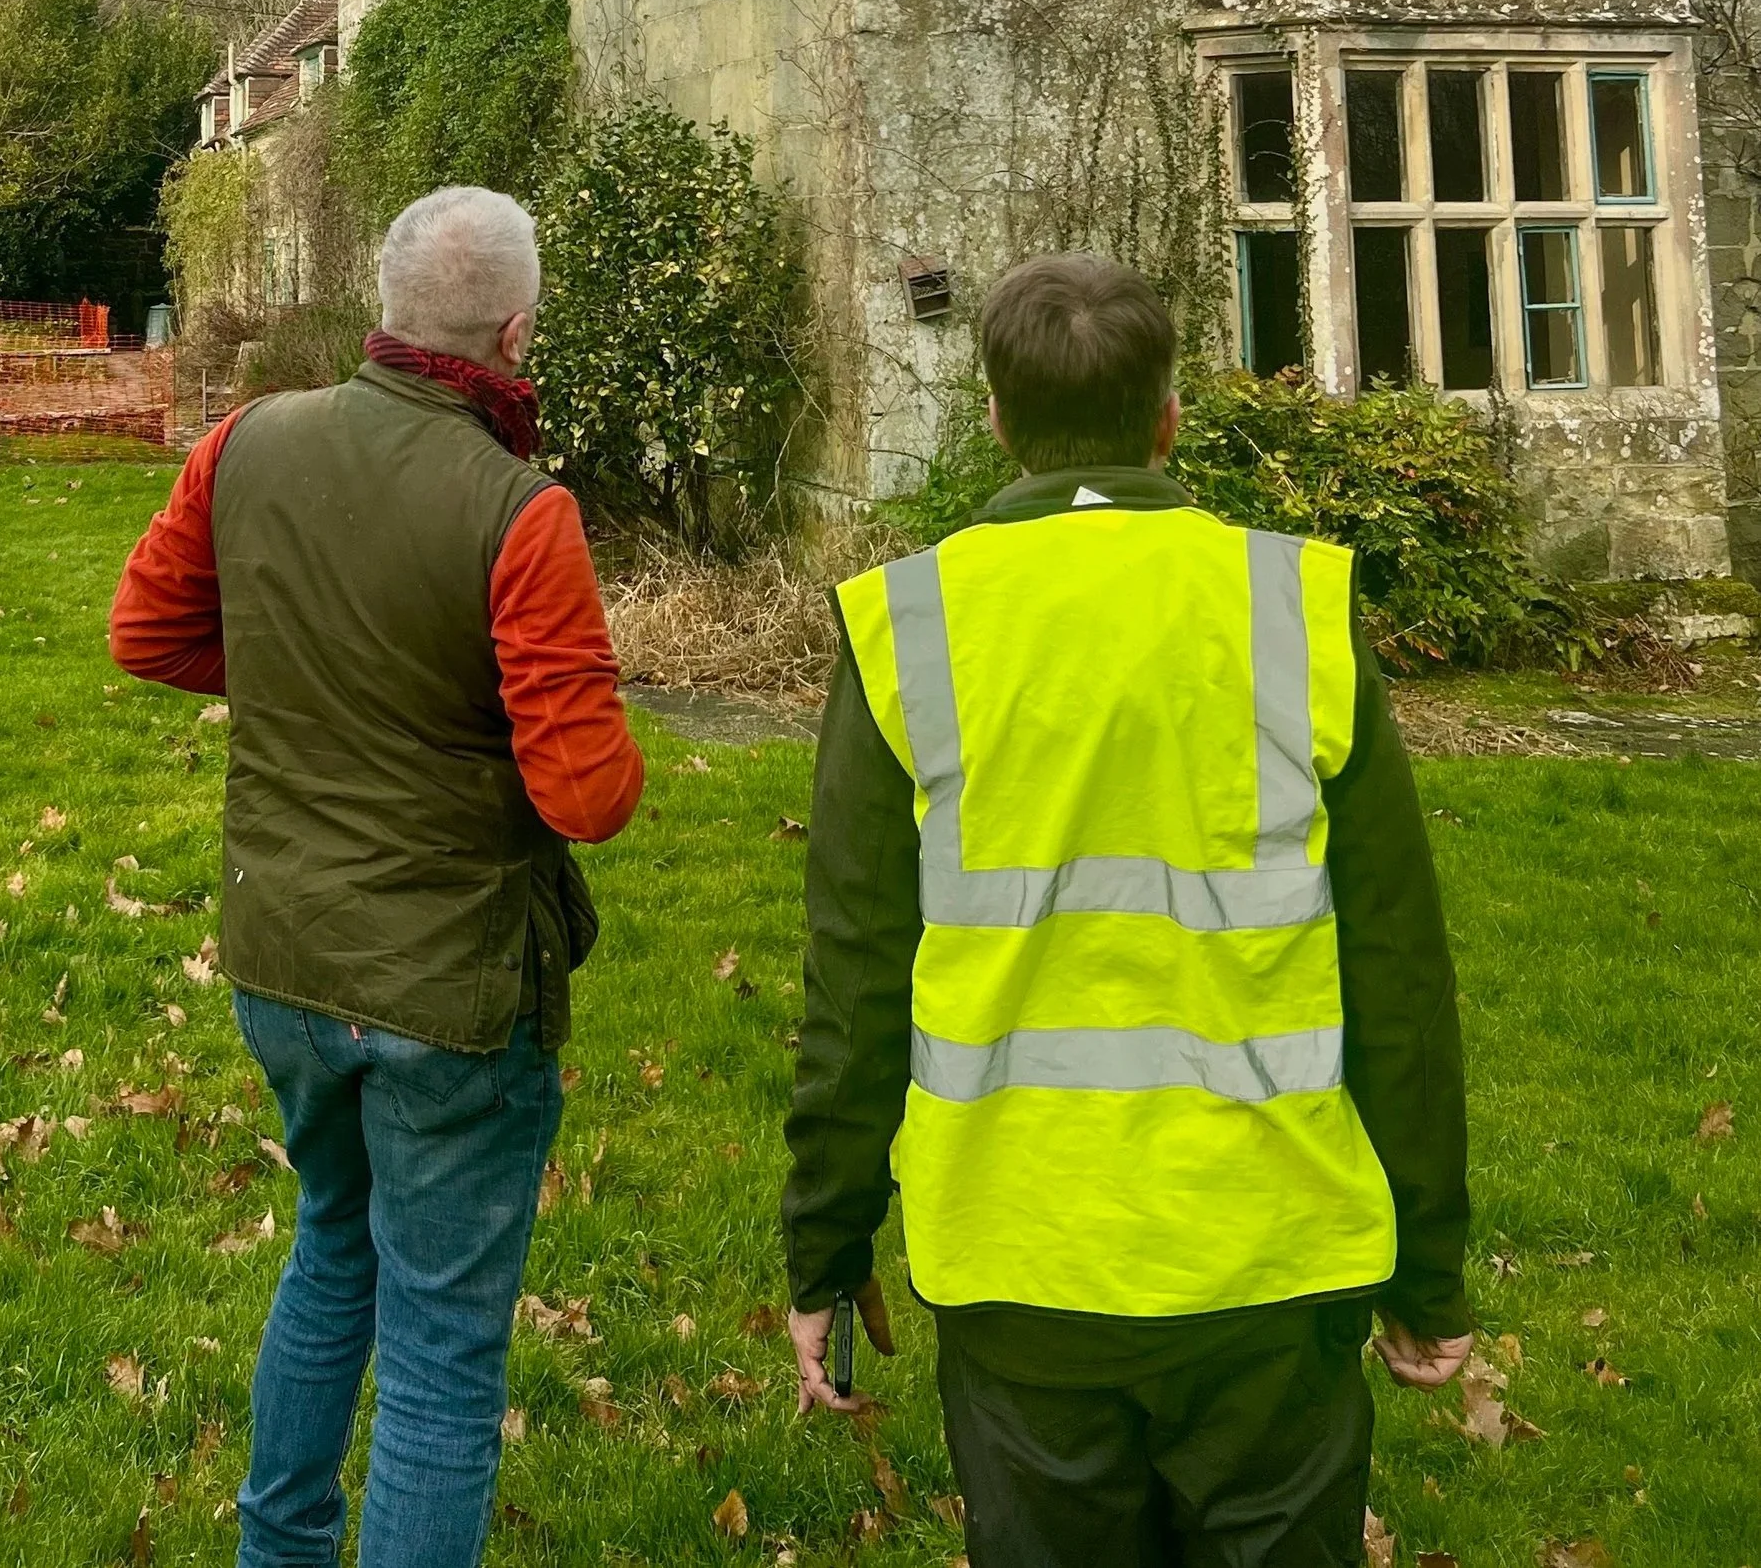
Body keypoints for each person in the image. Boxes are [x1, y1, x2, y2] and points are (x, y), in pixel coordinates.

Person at [781, 253, 1471, 1566]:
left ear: (992, 415)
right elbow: (1396, 961)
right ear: (1169, 412)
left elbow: (858, 974)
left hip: (1018, 1259)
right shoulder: (1297, 607)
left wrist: (825, 1241)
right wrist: (1425, 1261)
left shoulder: (907, 623)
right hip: (1268, 1257)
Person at [109, 183, 643, 1568]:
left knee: (331, 1241)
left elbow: (146, 633)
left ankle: (274, 1551)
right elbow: (588, 796)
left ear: (383, 308)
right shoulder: (522, 514)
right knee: (443, 1354)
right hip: (445, 994)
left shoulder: (243, 443)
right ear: (516, 327)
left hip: (282, 958)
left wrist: (314, 684)